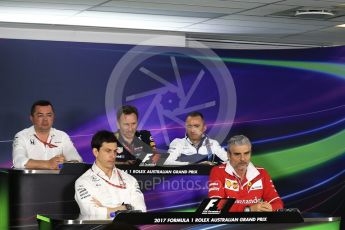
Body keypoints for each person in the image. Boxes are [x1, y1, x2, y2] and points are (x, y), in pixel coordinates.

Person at [75, 130, 146, 220]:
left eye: (115, 151)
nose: (113, 156)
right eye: (108, 151)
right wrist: (125, 208)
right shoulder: (83, 182)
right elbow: (93, 213)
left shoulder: (130, 180)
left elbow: (141, 211)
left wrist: (107, 210)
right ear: (96, 152)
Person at [208, 135, 284, 212]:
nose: (242, 159)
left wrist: (271, 208)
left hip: (257, 223)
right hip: (231, 223)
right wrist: (248, 210)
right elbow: (215, 206)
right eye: (237, 154)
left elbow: (277, 202)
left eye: (246, 153)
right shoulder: (218, 171)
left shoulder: (261, 173)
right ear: (228, 155)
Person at [12, 100, 82, 169]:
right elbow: (18, 161)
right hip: (31, 179)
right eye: (40, 115)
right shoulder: (21, 136)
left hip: (58, 180)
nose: (45, 119)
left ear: (53, 117)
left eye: (49, 115)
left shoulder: (62, 136)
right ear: (32, 118)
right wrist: (48, 164)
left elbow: (77, 160)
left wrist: (64, 164)